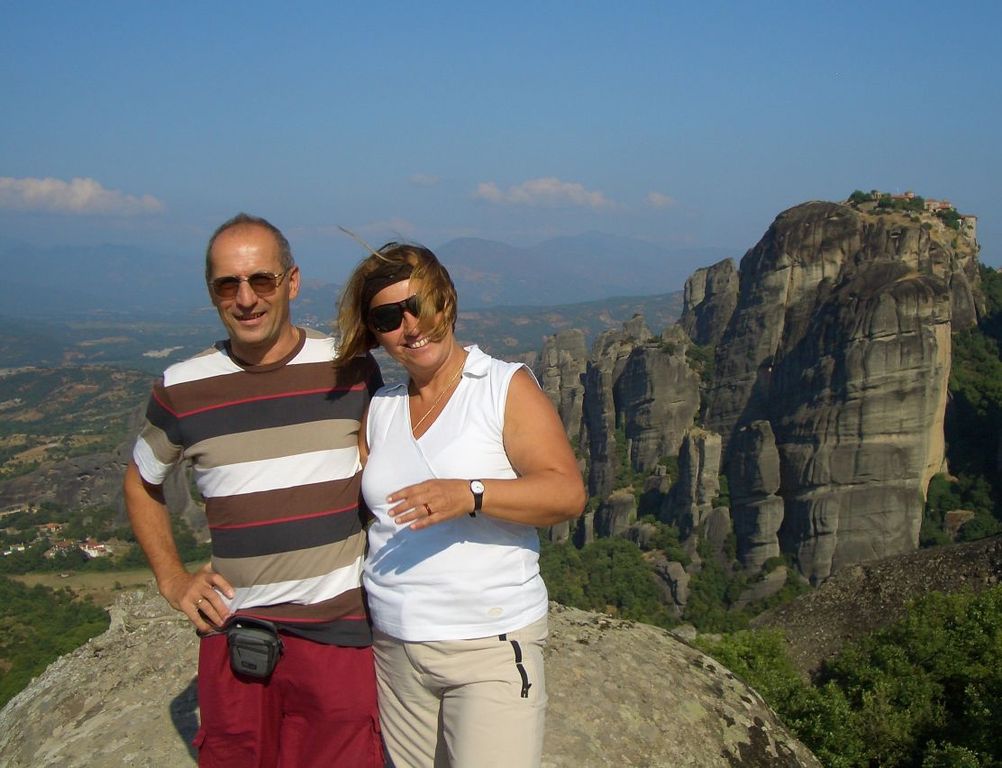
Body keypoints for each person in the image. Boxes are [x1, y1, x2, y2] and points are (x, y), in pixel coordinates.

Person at [123, 213, 384, 767]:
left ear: (292, 282)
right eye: (228, 284)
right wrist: (173, 579)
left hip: (339, 636)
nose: (246, 298)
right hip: (237, 636)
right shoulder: (181, 388)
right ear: (212, 293)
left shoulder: (350, 368)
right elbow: (141, 479)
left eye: (261, 280)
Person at [334, 241, 586, 768]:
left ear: (446, 301)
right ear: (373, 333)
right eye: (387, 317)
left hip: (488, 644)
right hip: (396, 650)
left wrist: (471, 493)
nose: (410, 326)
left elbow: (565, 493)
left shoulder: (501, 386)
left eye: (419, 304)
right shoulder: (381, 408)